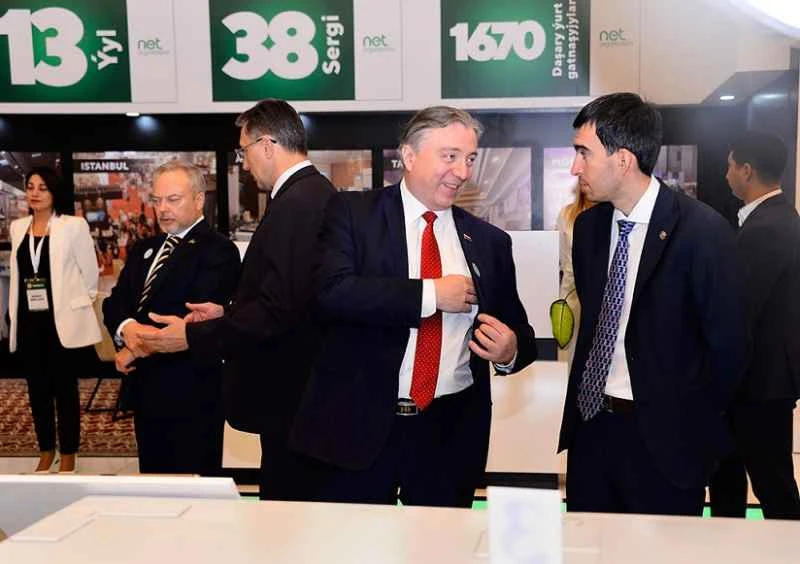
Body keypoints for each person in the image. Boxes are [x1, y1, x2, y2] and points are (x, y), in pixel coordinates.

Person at [290, 106, 538, 508]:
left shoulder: (489, 242)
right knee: (355, 539)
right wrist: (431, 295)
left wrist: (509, 351)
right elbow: (332, 292)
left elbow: (519, 334)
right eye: (450, 156)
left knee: (443, 541)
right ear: (408, 155)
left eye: (470, 158)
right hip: (358, 428)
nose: (462, 171)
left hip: (448, 436)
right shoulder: (353, 214)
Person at [558, 93, 748, 516]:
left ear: (623, 160)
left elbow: (729, 350)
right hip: (591, 433)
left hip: (665, 447)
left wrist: (691, 424)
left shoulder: (702, 232)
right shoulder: (588, 229)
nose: (575, 167)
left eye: (583, 153)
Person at [138, 99, 335, 499]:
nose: (244, 164)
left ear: (267, 145)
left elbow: (277, 310)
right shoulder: (305, 195)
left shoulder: (298, 203)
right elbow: (288, 296)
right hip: (297, 393)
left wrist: (193, 336)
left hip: (291, 393)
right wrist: (226, 311)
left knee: (288, 509)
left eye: (244, 151)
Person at [102, 160, 240, 475]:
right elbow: (115, 303)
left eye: (173, 199)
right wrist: (128, 328)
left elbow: (191, 316)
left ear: (199, 200)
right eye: (157, 200)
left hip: (191, 392)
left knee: (193, 487)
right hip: (146, 390)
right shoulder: (145, 248)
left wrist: (136, 347)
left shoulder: (218, 250)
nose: (162, 209)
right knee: (154, 483)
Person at [708, 131, 800, 520]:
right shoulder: (781, 218)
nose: (726, 173)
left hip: (757, 383)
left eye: (730, 165)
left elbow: (739, 309)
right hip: (764, 381)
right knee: (735, 475)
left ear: (746, 170)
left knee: (770, 483)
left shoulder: (765, 229)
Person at [9, 167, 101, 474]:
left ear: (54, 192)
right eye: (30, 187)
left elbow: (90, 274)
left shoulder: (73, 226)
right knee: (37, 390)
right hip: (28, 321)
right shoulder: (18, 227)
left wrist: (80, 303)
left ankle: (69, 453)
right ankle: (46, 450)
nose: (35, 193)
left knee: (65, 390)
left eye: (42, 187)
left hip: (61, 322)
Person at [555, 187, 594, 362]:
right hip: (571, 293)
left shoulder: (612, 214)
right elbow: (561, 256)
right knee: (570, 353)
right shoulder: (567, 214)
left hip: (601, 294)